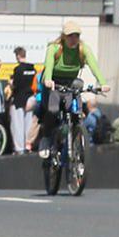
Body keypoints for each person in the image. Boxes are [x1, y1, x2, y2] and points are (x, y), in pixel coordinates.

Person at [29, 21, 106, 153]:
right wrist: (48, 79)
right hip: (54, 83)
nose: (73, 39)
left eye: (76, 36)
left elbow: (94, 65)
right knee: (53, 110)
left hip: (70, 83)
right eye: (70, 36)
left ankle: (76, 137)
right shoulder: (55, 48)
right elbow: (48, 65)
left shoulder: (83, 49)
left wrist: (102, 83)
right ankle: (46, 138)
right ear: (64, 36)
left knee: (75, 110)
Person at [8, 47, 37, 154]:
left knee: (17, 125)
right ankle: (27, 145)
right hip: (30, 98)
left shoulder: (18, 69)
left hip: (19, 99)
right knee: (28, 124)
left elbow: (16, 85)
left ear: (18, 56)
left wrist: (11, 84)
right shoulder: (33, 69)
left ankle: (19, 148)